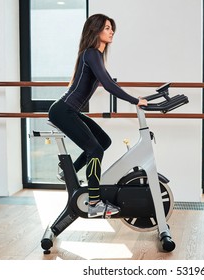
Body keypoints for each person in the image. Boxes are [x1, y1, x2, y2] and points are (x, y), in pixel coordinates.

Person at [48, 14, 147, 218]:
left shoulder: (95, 56)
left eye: (112, 28)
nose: (111, 32)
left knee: (103, 141)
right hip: (63, 110)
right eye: (107, 28)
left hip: (68, 110)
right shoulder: (91, 53)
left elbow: (108, 81)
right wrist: (134, 101)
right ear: (95, 30)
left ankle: (67, 171)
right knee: (95, 149)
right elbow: (109, 85)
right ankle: (94, 202)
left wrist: (134, 97)